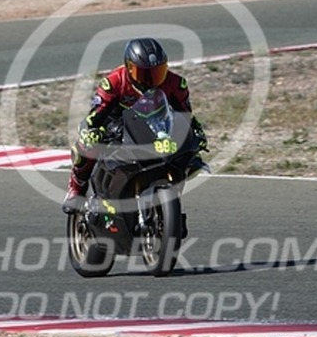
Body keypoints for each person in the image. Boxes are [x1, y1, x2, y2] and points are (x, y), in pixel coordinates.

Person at [62, 37, 208, 214]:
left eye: (157, 72)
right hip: (117, 125)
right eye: (143, 73)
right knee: (86, 147)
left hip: (157, 125)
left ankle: (170, 197)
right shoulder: (114, 82)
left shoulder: (176, 83)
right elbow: (96, 115)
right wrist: (91, 131)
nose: (151, 79)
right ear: (128, 67)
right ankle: (76, 189)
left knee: (190, 155)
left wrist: (193, 133)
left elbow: (184, 115)